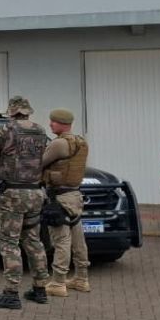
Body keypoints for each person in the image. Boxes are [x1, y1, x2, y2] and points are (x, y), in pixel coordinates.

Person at [0, 96, 51, 310]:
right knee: (33, 240)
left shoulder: (5, 130)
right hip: (35, 192)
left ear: (11, 111)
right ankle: (40, 288)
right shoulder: (40, 131)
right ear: (28, 111)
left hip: (12, 193)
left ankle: (11, 293)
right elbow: (45, 158)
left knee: (9, 242)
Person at [41, 108, 92, 297]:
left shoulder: (59, 144)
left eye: (53, 121)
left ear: (62, 123)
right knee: (78, 239)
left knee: (61, 239)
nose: (50, 124)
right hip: (75, 196)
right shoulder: (81, 142)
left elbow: (40, 163)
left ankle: (58, 282)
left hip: (60, 198)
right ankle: (81, 278)